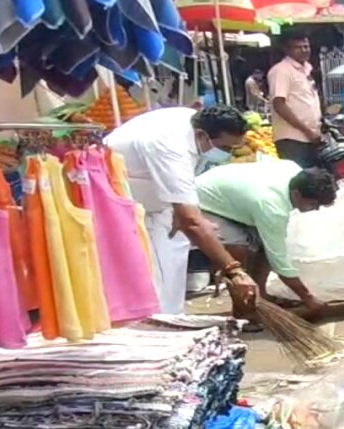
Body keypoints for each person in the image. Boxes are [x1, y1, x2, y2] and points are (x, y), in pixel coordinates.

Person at [105, 105, 257, 315]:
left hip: (156, 203)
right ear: (203, 135)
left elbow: (187, 211)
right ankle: (160, 324)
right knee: (156, 276)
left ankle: (172, 315)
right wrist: (234, 270)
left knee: (174, 260)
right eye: (226, 148)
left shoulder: (194, 123)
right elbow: (191, 221)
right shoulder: (170, 147)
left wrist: (191, 218)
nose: (230, 154)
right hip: (126, 206)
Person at [196, 160, 336, 316]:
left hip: (234, 197)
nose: (315, 209)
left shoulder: (294, 170)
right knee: (237, 253)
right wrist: (308, 297)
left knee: (266, 245)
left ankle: (260, 295)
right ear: (297, 194)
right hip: (203, 201)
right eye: (312, 204)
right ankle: (244, 311)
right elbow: (279, 262)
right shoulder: (272, 207)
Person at [268, 30, 323, 168]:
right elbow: (279, 104)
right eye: (298, 47)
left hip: (311, 137)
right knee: (300, 180)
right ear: (287, 49)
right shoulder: (282, 70)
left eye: (306, 46)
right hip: (292, 139)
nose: (304, 50)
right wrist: (307, 131)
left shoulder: (306, 69)